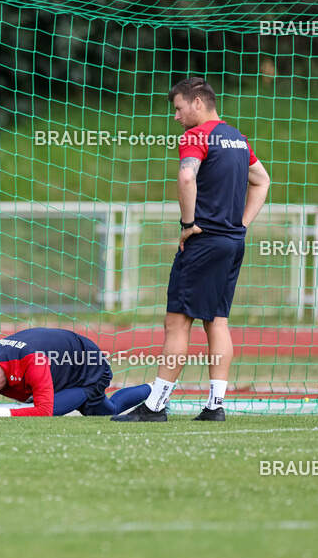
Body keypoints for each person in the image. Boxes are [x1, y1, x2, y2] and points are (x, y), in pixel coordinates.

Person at [113, 78, 269, 422]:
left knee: (177, 323)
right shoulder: (239, 139)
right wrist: (241, 224)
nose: (176, 116)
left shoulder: (197, 136)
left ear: (198, 104)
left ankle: (154, 407)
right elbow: (262, 180)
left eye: (179, 108)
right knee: (217, 321)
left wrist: (187, 225)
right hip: (232, 242)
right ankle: (214, 406)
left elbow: (187, 178)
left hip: (204, 241)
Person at [0, 328, 151, 417]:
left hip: (89, 370)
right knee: (36, 400)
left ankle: (155, 389)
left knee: (109, 410)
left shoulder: (33, 362)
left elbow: (44, 411)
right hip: (60, 367)